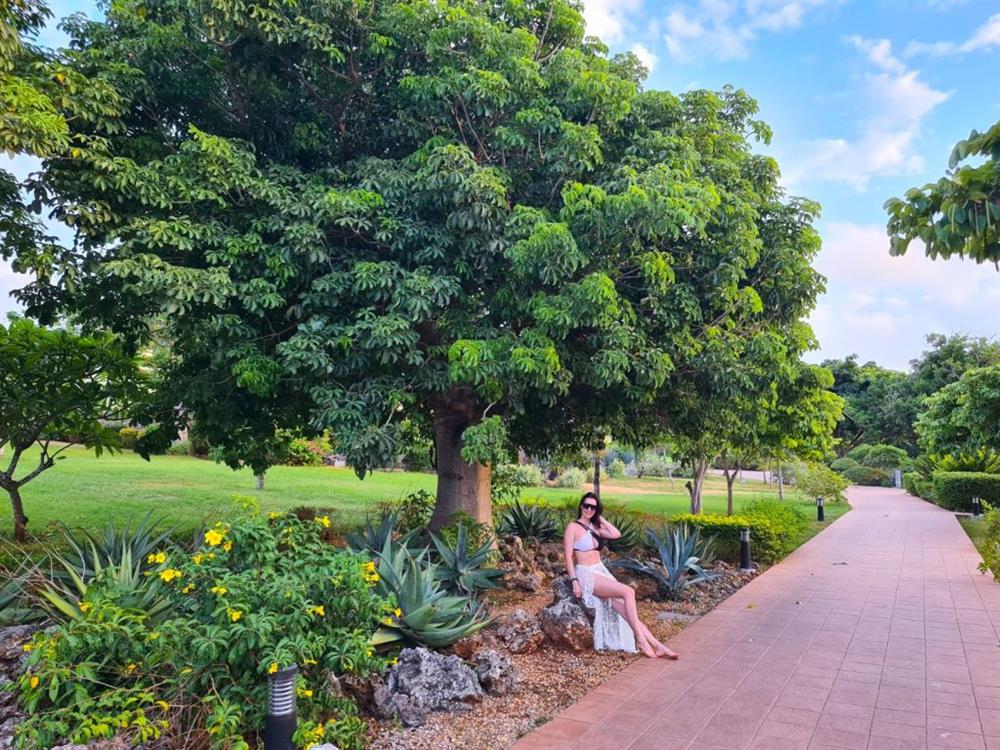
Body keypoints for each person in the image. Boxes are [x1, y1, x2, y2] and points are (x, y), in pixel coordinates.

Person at [564, 491, 679, 659]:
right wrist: (574, 581)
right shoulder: (573, 527)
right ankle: (640, 639)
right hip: (586, 574)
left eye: (593, 507)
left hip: (600, 570)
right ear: (581, 506)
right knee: (628, 592)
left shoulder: (596, 527)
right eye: (586, 506)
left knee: (627, 612)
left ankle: (658, 645)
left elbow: (616, 534)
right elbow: (568, 556)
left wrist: (600, 518)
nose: (589, 509)